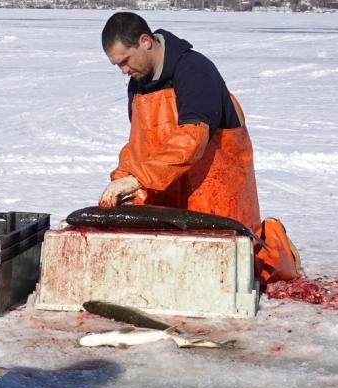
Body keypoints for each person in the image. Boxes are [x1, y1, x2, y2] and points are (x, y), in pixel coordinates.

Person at [98, 13, 300, 285]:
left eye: (124, 61)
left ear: (145, 41)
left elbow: (192, 139)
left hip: (216, 191)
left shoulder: (194, 70)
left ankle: (275, 243)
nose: (123, 70)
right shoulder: (138, 85)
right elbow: (138, 144)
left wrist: (138, 179)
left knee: (240, 269)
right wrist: (121, 179)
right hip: (169, 188)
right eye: (117, 65)